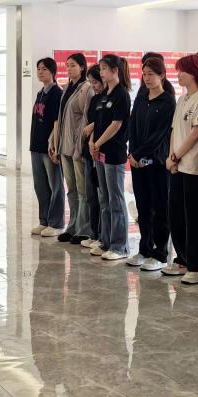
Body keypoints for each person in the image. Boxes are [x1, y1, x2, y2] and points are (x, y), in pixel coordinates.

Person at [165, 54, 198, 282]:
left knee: (194, 218)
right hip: (177, 165)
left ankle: (197, 265)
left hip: (193, 166)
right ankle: (182, 260)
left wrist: (177, 155)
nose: (178, 75)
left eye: (181, 71)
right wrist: (171, 157)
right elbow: (175, 130)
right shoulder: (182, 99)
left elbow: (196, 133)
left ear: (194, 73)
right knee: (176, 215)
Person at [127, 56, 176, 270]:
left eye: (151, 74)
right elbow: (132, 127)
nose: (147, 78)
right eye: (144, 74)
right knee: (143, 207)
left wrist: (139, 154)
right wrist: (132, 154)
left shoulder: (168, 101)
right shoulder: (141, 98)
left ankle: (160, 253)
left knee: (160, 208)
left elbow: (159, 135)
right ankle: (144, 249)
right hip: (137, 162)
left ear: (162, 75)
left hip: (157, 162)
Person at [85, 54, 132, 261]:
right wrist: (92, 142)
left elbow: (116, 124)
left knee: (115, 199)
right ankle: (106, 241)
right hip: (99, 152)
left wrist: (98, 143)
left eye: (104, 69)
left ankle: (119, 246)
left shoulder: (122, 94)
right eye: (101, 69)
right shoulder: (105, 94)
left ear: (115, 70)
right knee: (104, 198)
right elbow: (97, 122)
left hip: (113, 153)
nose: (102, 72)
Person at [50, 53, 93, 244]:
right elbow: (60, 118)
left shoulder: (86, 88)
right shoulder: (67, 88)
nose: (68, 69)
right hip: (65, 147)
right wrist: (55, 142)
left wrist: (80, 144)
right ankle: (73, 226)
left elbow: (86, 119)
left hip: (77, 148)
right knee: (72, 190)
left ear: (82, 67)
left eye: (73, 65)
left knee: (83, 191)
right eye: (67, 65)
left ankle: (84, 229)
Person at [30, 58, 65, 238]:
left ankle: (56, 223)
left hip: (49, 148)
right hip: (36, 146)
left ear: (52, 71)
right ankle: (44, 220)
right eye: (38, 69)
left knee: (55, 186)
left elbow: (57, 122)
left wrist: (54, 145)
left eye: (44, 69)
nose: (40, 72)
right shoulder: (40, 93)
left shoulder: (56, 93)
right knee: (40, 186)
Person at [80, 66, 104, 250]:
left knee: (102, 197)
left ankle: (103, 235)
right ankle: (94, 233)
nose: (93, 86)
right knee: (91, 196)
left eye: (95, 82)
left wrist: (94, 129)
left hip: (101, 151)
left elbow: (108, 122)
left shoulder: (110, 98)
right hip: (89, 151)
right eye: (91, 82)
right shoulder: (95, 99)